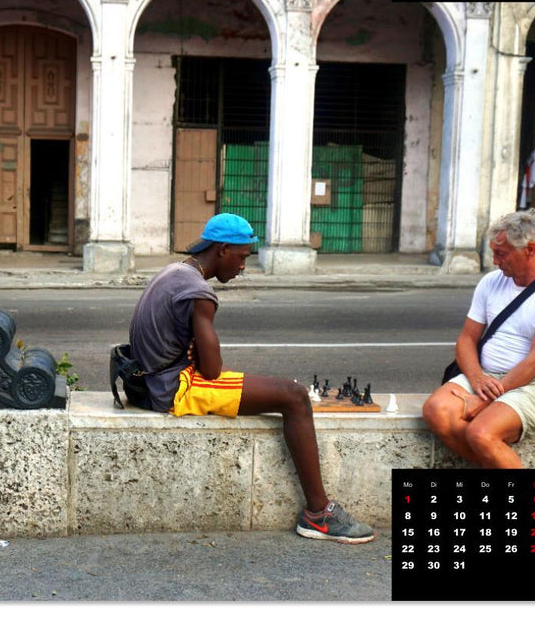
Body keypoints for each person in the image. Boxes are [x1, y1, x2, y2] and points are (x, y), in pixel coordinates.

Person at [128, 213, 374, 544]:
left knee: (287, 392)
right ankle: (319, 514)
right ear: (222, 250)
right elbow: (212, 370)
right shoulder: (199, 292)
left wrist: (194, 350)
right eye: (242, 257)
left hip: (152, 379)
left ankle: (319, 513)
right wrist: (199, 353)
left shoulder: (176, 272)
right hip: (174, 388)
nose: (243, 267)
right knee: (295, 396)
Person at [422, 210, 535, 468]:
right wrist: (477, 379)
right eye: (494, 252)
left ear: (530, 249)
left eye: (502, 254)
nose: (495, 261)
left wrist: (483, 399)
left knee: (481, 434)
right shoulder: (491, 282)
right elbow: (466, 339)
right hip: (486, 375)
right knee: (435, 411)